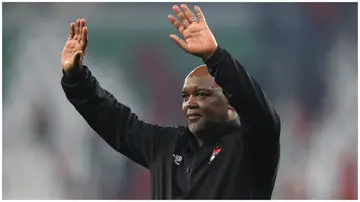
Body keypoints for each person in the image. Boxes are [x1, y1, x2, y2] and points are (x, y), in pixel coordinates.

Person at [61, 4, 281, 199]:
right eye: (186, 96)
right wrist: (76, 78)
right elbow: (115, 120)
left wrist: (215, 56)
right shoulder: (165, 146)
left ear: (231, 103)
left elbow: (259, 113)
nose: (190, 103)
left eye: (202, 94)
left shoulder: (250, 149)